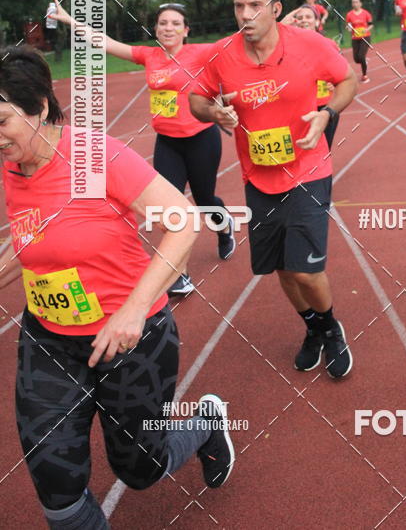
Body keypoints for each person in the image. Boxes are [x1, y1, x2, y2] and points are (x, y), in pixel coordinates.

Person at [0, 46, 234, 530]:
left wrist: (133, 309)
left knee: (139, 469)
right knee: (54, 480)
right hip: (48, 339)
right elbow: (32, 237)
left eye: (2, 121)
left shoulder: (94, 156)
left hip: (132, 337)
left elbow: (184, 223)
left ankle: (206, 424)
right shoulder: (11, 166)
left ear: (41, 106)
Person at [189, 0, 358, 379]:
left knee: (305, 269)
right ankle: (313, 329)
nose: (245, 14)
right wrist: (214, 112)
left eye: (254, 5)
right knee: (280, 267)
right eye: (238, 6)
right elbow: (195, 99)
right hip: (258, 176)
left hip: (308, 169)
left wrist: (326, 113)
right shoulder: (221, 54)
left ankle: (332, 327)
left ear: (276, 8)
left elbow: (347, 80)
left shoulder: (309, 44)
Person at [51, 0, 235, 295]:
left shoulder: (200, 53)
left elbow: (236, 45)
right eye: (163, 23)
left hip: (202, 139)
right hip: (167, 144)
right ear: (155, 29)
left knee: (204, 200)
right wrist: (70, 21)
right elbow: (106, 43)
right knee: (169, 208)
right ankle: (179, 275)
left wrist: (285, 21)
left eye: (175, 23)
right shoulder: (149, 56)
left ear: (186, 30)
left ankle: (224, 226)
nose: (169, 28)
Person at [281, 3, 340, 148]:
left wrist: (335, 83)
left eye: (308, 17)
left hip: (326, 105)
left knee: (324, 147)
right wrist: (281, 25)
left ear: (317, 22)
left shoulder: (329, 44)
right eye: (299, 18)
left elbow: (343, 75)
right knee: (302, 148)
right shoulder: (286, 47)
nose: (303, 20)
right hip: (299, 107)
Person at [345, 0, 373, 83]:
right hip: (355, 38)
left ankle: (365, 76)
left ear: (360, 3)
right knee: (356, 59)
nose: (355, 4)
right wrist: (349, 28)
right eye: (353, 2)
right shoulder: (349, 14)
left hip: (365, 37)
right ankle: (364, 61)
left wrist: (366, 29)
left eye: (356, 2)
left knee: (361, 56)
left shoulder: (366, 13)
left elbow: (371, 24)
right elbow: (348, 25)